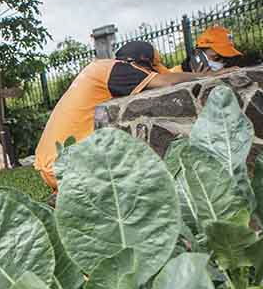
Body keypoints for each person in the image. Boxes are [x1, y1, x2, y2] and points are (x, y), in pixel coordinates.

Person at [33, 40, 209, 190]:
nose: (150, 74)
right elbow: (165, 81)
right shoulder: (117, 69)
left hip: (51, 164)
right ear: (138, 63)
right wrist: (209, 76)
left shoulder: (100, 69)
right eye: (152, 69)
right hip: (64, 167)